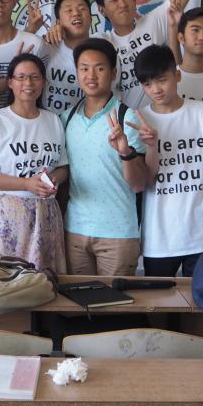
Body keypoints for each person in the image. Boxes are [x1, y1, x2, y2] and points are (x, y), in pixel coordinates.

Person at [129, 44, 203, 277]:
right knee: (158, 298)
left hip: (202, 232)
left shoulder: (201, 112)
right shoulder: (140, 119)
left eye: (162, 80)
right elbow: (147, 180)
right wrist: (152, 146)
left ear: (177, 75)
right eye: (147, 84)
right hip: (160, 235)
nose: (156, 89)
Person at [0, 53, 69, 272]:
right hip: (9, 215)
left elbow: (63, 167)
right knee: (7, 281)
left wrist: (53, 178)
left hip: (47, 215)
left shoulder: (53, 120)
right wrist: (26, 184)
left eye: (35, 77)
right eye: (21, 77)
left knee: (45, 281)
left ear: (43, 82)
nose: (28, 83)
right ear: (10, 82)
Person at [61, 38, 147, 276]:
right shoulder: (66, 119)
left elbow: (139, 184)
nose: (91, 75)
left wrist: (125, 152)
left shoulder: (128, 118)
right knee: (77, 299)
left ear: (113, 73)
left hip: (118, 234)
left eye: (99, 68)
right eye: (84, 68)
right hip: (74, 230)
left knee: (114, 301)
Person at [41, 0, 98, 114]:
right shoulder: (46, 48)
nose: (76, 13)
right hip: (50, 121)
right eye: (69, 10)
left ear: (91, 18)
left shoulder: (102, 52)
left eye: (82, 9)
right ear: (58, 22)